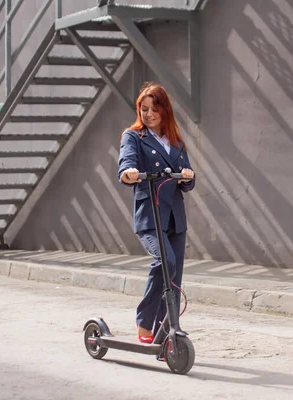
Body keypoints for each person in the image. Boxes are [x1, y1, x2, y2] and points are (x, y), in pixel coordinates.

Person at [117, 82, 195, 344]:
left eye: (153, 109)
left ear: (165, 111)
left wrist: (187, 176)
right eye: (143, 109)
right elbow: (126, 161)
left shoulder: (177, 143)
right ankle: (145, 320)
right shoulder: (134, 137)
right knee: (165, 263)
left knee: (175, 278)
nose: (148, 114)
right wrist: (128, 172)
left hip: (175, 219)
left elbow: (189, 181)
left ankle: (168, 333)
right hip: (150, 216)